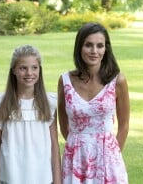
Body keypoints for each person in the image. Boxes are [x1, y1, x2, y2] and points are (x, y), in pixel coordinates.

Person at [57, 22, 130, 184]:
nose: (94, 51)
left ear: (106, 49)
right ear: (79, 47)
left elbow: (124, 126)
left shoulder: (117, 81)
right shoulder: (65, 81)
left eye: (100, 46)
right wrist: (78, 145)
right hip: (75, 157)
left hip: (108, 157)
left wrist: (112, 155)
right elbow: (63, 124)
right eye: (88, 45)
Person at [0, 45, 62, 184]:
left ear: (39, 69)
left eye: (34, 67)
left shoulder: (49, 103)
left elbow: (54, 145)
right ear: (13, 70)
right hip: (11, 177)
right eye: (23, 68)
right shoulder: (1, 103)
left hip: (41, 177)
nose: (29, 73)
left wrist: (57, 180)